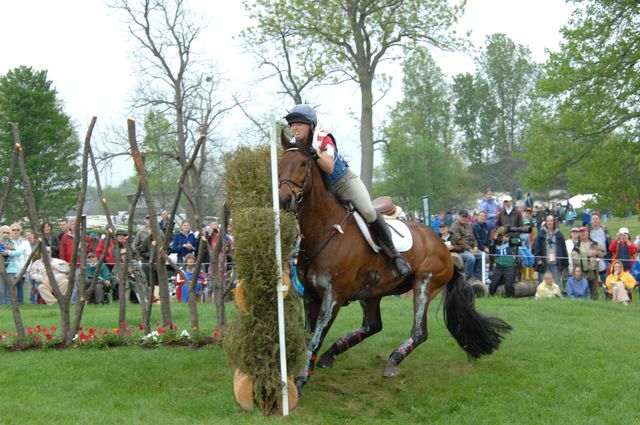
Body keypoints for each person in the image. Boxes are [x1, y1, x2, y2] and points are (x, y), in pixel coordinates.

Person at [284, 104, 410, 276]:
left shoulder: (323, 138)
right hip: (322, 190)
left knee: (368, 211)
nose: (294, 127)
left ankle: (395, 257)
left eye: (299, 123)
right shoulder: (293, 145)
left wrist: (314, 153)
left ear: (311, 125)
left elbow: (328, 167)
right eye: (291, 124)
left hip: (343, 182)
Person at [533, 215, 567, 290]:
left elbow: (563, 248)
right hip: (544, 264)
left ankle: (556, 298)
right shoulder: (541, 234)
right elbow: (536, 248)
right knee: (543, 285)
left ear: (554, 222)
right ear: (546, 222)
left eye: (551, 221)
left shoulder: (559, 234)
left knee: (556, 284)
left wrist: (565, 263)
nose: (550, 223)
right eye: (548, 221)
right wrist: (538, 259)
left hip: (556, 264)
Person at [570, 226, 605, 300]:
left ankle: (596, 306)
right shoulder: (577, 247)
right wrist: (587, 255)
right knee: (583, 291)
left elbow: (603, 252)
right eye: (581, 232)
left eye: (584, 231)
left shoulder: (594, 244)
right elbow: (575, 258)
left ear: (588, 233)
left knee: (594, 292)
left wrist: (597, 252)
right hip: (582, 272)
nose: (582, 233)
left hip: (593, 272)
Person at [2, 223, 31, 304]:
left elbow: (28, 255)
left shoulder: (24, 242)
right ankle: (7, 303)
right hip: (9, 267)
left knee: (20, 287)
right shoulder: (7, 241)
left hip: (20, 268)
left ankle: (20, 303)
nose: (15, 231)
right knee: (6, 288)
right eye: (13, 230)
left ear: (20, 231)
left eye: (17, 230)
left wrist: (26, 268)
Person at [449, 210, 481, 281]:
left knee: (482, 255)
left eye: (466, 217)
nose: (464, 218)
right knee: (471, 258)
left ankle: (477, 278)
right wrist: (469, 249)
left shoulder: (468, 225)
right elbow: (459, 241)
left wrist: (475, 247)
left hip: (471, 248)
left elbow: (474, 238)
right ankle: (465, 280)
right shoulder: (454, 226)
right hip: (459, 249)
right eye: (462, 216)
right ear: (459, 216)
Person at [488, 227, 517, 297]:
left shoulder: (509, 240)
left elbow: (517, 242)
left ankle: (510, 298)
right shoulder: (495, 242)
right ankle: (490, 296)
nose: (501, 236)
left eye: (503, 234)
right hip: (498, 265)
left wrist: (508, 239)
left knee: (509, 284)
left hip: (509, 265)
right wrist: (494, 239)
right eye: (500, 235)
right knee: (493, 283)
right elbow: (491, 251)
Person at [589, 212, 611, 282]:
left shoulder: (604, 230)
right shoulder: (588, 230)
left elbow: (609, 242)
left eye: (596, 218)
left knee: (606, 279)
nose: (595, 220)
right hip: (592, 258)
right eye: (593, 219)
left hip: (604, 257)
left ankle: (607, 292)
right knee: (592, 280)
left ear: (599, 220)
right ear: (591, 220)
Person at [0, 225, 13, 305]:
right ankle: (2, 304)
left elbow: (12, 252)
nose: (6, 234)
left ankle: (9, 304)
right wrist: (7, 250)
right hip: (1, 267)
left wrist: (8, 251)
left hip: (10, 267)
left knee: (10, 287)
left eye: (8, 233)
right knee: (1, 288)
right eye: (4, 232)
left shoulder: (11, 242)